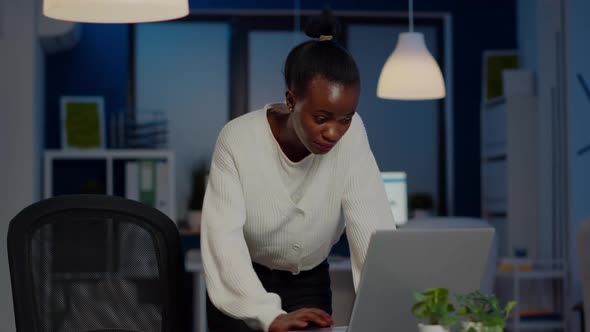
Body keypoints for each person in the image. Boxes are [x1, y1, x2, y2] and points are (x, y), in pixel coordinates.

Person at [201, 10, 395, 332]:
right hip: (246, 280)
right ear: (291, 101)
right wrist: (267, 314)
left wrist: (390, 303)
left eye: (344, 119)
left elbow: (371, 224)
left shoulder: (353, 135)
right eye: (321, 118)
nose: (334, 132)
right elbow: (223, 237)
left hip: (310, 282)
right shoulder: (238, 139)